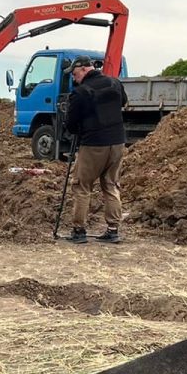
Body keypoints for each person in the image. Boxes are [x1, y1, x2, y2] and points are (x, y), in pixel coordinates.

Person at [62, 55, 127, 243]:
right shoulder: (114, 83)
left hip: (93, 144)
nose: (74, 78)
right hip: (117, 142)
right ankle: (113, 230)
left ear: (83, 69)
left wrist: (77, 130)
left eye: (74, 74)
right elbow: (122, 102)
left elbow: (71, 123)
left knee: (81, 186)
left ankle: (79, 231)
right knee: (111, 185)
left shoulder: (81, 92)